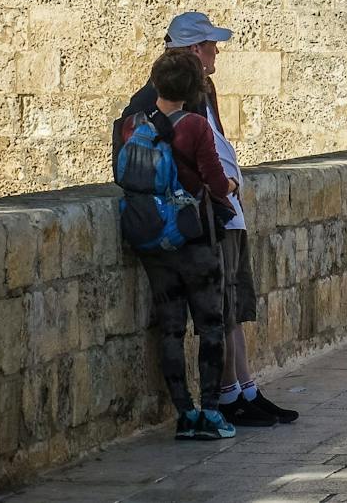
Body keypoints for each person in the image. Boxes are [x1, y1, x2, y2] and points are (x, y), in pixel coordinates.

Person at [119, 12, 301, 427]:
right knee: (215, 316)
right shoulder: (173, 108)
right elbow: (206, 170)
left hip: (192, 222)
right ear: (194, 50)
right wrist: (226, 191)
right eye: (211, 45)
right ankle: (222, 401)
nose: (217, 51)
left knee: (216, 312)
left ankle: (237, 392)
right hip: (202, 221)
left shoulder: (182, 98)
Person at [131, 49, 239, 441]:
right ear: (194, 89)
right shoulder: (194, 127)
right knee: (210, 325)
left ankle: (184, 414)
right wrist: (231, 188)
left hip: (154, 241)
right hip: (195, 238)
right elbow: (214, 180)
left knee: (171, 329)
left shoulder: (134, 124)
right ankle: (210, 412)